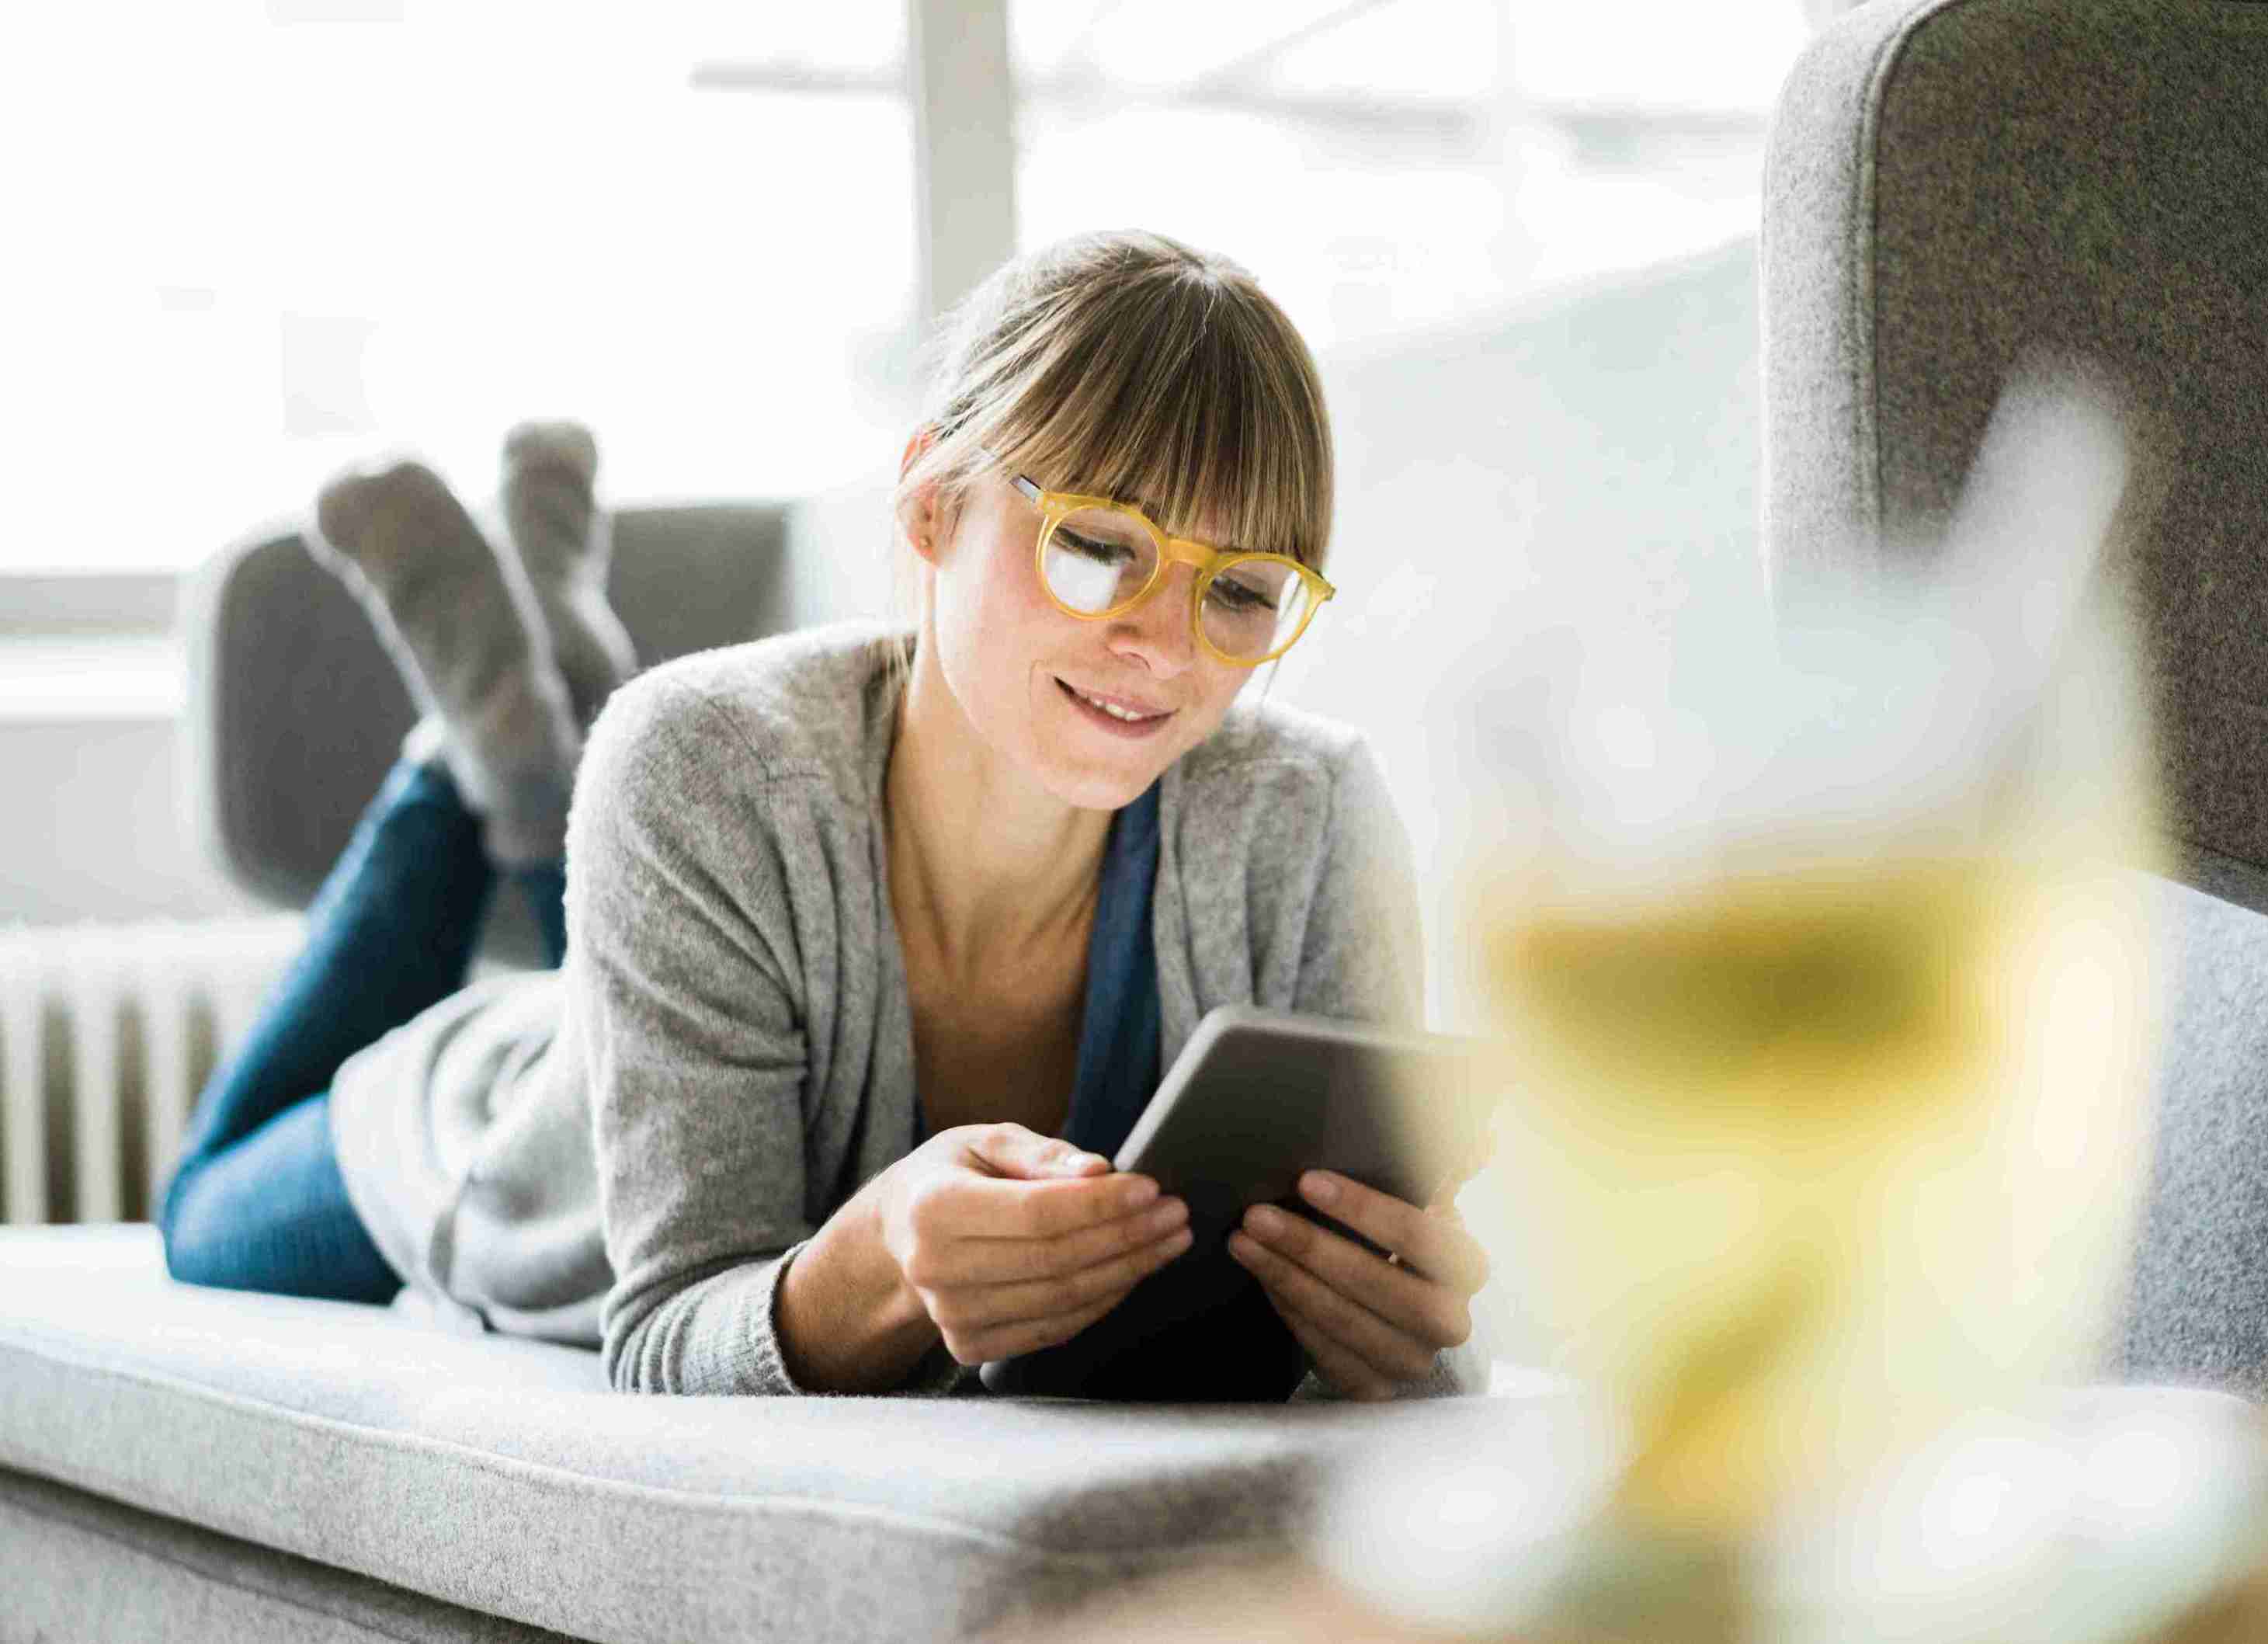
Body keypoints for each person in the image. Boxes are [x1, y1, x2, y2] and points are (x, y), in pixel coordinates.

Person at [155, 230, 1490, 1402]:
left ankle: (528, 717)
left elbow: (1380, 1310)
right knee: (201, 1215)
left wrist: (1398, 1337)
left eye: (1243, 591)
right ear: (928, 505)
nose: (1163, 646)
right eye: (1096, 547)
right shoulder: (698, 763)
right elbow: (666, 1327)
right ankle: (472, 765)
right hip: (502, 1118)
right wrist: (872, 1266)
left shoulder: (1310, 815)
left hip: (687, 963)